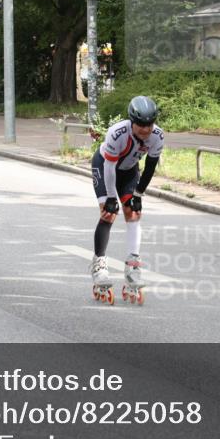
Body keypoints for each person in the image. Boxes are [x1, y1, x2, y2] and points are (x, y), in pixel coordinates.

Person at [89, 95, 165, 304]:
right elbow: (110, 168)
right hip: (106, 167)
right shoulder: (117, 133)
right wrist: (112, 197)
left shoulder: (157, 136)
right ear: (132, 122)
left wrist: (139, 194)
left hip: (130, 171)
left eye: (149, 124)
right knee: (109, 212)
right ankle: (99, 265)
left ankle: (133, 264)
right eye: (141, 125)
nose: (146, 129)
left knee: (134, 213)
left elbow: (150, 167)